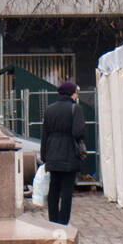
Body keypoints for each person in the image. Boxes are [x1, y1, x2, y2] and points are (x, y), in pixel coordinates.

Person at [39, 81, 88, 226]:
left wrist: (44, 157)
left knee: (53, 189)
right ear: (71, 93)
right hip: (69, 153)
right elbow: (78, 132)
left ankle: (53, 220)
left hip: (52, 153)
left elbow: (44, 135)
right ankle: (63, 221)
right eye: (75, 92)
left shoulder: (49, 109)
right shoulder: (75, 108)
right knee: (67, 191)